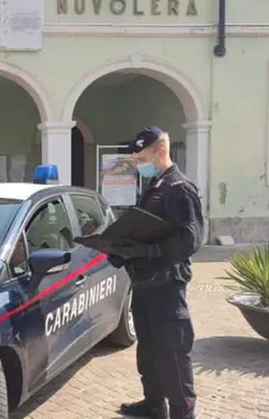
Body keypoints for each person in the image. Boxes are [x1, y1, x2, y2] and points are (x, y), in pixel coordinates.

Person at [109, 126, 203, 419]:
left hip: (166, 286)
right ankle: (154, 404)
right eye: (137, 160)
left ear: (161, 151)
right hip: (146, 283)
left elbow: (190, 240)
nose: (139, 165)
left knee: (172, 353)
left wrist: (145, 252)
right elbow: (146, 228)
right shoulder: (156, 185)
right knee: (148, 349)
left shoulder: (179, 188)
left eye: (142, 159)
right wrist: (121, 247)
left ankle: (182, 413)